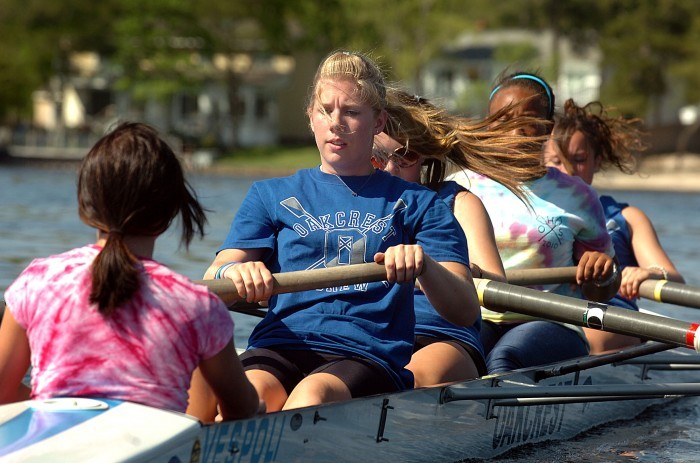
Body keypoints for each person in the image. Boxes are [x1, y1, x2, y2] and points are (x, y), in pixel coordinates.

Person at [194, 51, 478, 414]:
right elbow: (212, 278)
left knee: (311, 398)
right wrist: (232, 272)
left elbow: (465, 310)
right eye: (325, 110)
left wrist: (425, 267)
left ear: (379, 122)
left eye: (352, 112)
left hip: (364, 354)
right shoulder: (269, 194)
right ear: (311, 117)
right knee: (244, 399)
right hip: (280, 343)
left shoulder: (419, 203)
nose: (336, 123)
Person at [0, 122, 260, 421]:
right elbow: (242, 409)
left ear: (86, 207)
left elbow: (2, 396)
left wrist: (46, 404)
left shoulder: (36, 282)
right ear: (168, 215)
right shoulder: (199, 305)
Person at [372, 89, 547, 386]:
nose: (390, 169)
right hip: (368, 333)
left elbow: (496, 292)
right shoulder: (349, 204)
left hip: (439, 333)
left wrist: (453, 271)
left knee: (406, 381)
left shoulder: (459, 203)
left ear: (425, 157)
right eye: (378, 158)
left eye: (406, 156)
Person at [449, 71, 619, 373]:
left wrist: (601, 273)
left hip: (551, 323)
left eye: (526, 122)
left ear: (548, 128)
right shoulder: (458, 188)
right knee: (449, 354)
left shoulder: (578, 196)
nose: (515, 134)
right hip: (475, 318)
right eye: (503, 121)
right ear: (489, 127)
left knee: (504, 359)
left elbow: (602, 292)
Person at [544, 99, 685, 353]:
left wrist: (649, 273)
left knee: (583, 338)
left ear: (597, 161)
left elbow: (675, 279)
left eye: (578, 159)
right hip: (551, 312)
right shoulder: (526, 218)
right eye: (555, 161)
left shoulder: (627, 217)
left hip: (612, 316)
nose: (567, 171)